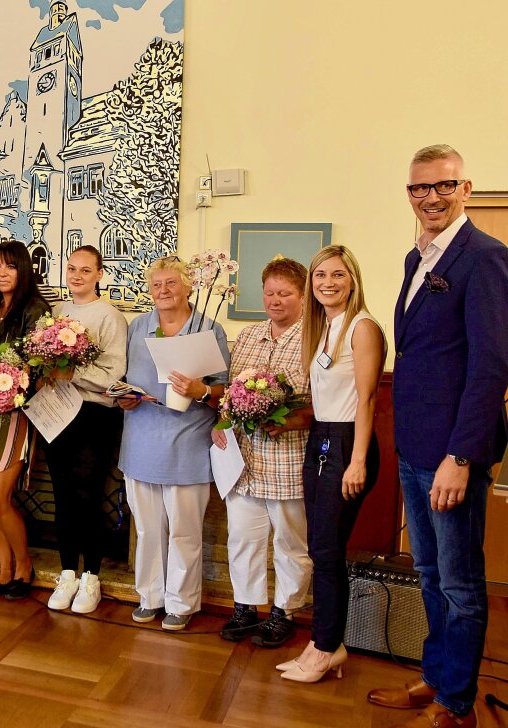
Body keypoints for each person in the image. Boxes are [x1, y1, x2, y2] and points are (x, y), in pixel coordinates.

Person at [367, 145, 508, 728]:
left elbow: (491, 366)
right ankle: (436, 676)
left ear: (465, 188)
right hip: (414, 447)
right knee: (428, 575)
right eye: (419, 189)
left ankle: (457, 705)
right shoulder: (415, 259)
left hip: (453, 453)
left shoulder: (486, 257)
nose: (430, 198)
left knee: (459, 584)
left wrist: (461, 455)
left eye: (442, 186)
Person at [277, 245, 385, 683]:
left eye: (337, 275)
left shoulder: (362, 327)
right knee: (320, 549)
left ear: (352, 279)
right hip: (321, 438)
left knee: (326, 550)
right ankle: (324, 642)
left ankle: (326, 647)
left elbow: (367, 399)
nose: (327, 282)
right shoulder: (322, 327)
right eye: (320, 275)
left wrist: (356, 461)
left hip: (346, 444)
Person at [118, 256, 229, 631]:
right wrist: (124, 396)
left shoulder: (208, 330)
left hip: (186, 443)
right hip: (140, 438)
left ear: (188, 287)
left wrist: (201, 391)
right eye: (156, 285)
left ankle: (181, 602)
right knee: (147, 528)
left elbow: (224, 394)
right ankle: (150, 596)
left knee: (183, 529)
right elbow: (126, 376)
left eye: (171, 284)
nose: (163, 291)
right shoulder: (138, 327)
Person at [212, 258, 313, 647]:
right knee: (243, 537)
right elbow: (232, 395)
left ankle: (284, 610)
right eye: (269, 292)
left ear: (303, 297)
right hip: (244, 460)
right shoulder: (250, 335)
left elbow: (326, 404)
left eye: (285, 293)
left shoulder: (314, 340)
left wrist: (290, 419)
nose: (275, 300)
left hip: (288, 459)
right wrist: (221, 422)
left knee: (289, 542)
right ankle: (246, 606)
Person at [40, 245, 127, 614]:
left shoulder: (110, 316)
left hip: (94, 414)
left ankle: (91, 575)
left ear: (99, 274)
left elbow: (114, 373)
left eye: (85, 270)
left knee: (89, 495)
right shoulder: (57, 312)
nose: (76, 276)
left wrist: (74, 373)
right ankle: (66, 572)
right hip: (59, 412)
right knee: (62, 494)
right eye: (71, 268)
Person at [0, 240, 50, 601]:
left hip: (16, 414)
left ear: (23, 270)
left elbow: (40, 363)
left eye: (10, 266)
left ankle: (24, 566)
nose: (2, 273)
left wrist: (12, 386)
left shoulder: (34, 309)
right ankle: (3, 572)